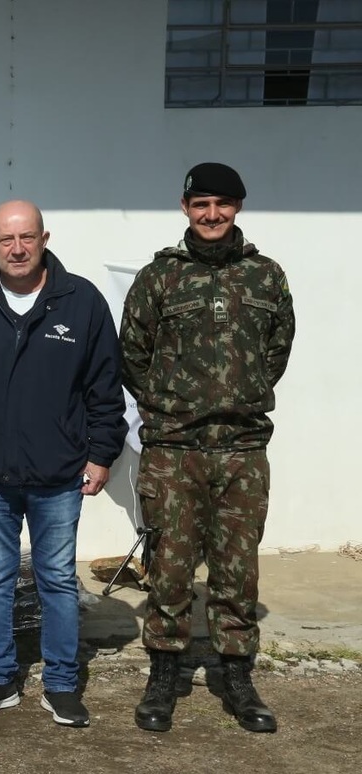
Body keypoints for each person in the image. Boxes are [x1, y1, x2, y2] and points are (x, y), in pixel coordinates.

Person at [0, 200, 127, 728]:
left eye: (26, 238)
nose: (16, 249)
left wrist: (102, 454)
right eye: (5, 239)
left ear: (44, 238)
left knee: (57, 579)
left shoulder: (81, 302)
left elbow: (105, 389)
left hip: (58, 473)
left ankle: (61, 683)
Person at [121, 163, 295, 734]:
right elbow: (133, 355)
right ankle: (164, 674)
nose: (212, 214)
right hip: (175, 450)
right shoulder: (158, 279)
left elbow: (277, 352)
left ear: (238, 207)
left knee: (237, 573)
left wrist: (237, 398)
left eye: (223, 203)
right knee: (169, 568)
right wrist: (173, 406)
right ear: (185, 207)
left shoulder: (266, 277)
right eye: (202, 204)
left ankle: (235, 675)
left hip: (243, 450)